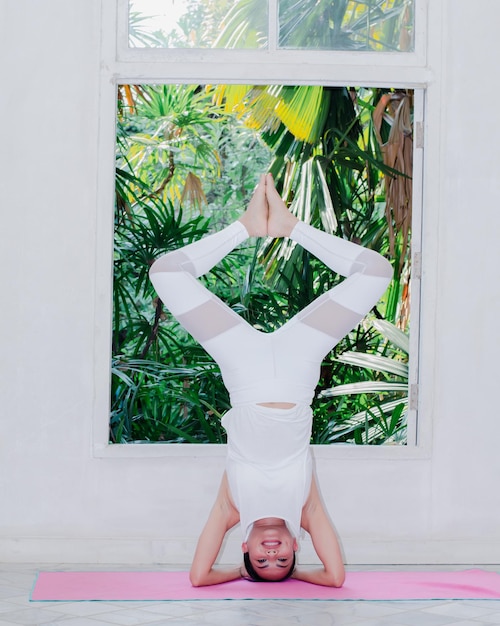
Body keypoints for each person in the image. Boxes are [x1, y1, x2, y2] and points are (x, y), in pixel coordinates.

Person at [149, 173, 393, 587]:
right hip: (298, 367)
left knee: (165, 274)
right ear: (297, 547)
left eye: (262, 563)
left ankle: (244, 227)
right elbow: (335, 578)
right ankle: (289, 228)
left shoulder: (232, 509)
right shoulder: (304, 511)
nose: (272, 555)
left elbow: (198, 576)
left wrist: (241, 576)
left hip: (243, 369)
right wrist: (298, 575)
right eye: (283, 563)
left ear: (246, 549)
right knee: (376, 273)